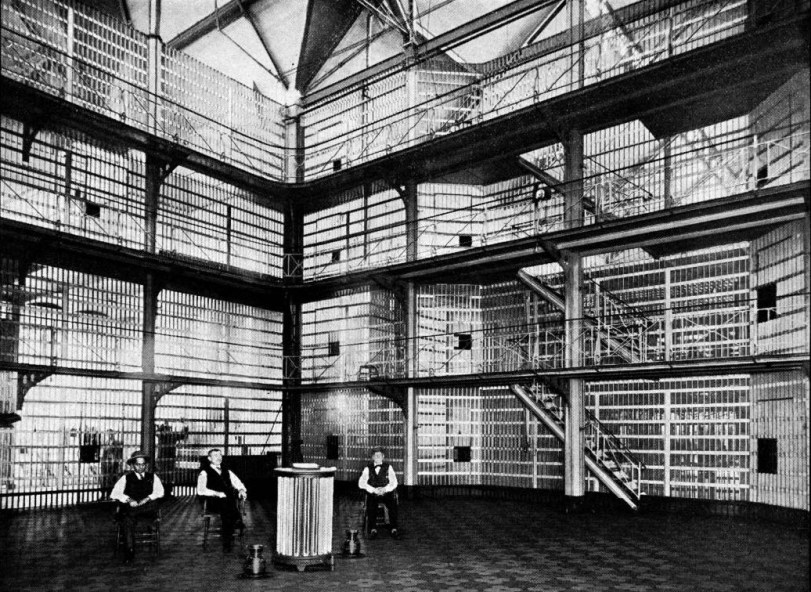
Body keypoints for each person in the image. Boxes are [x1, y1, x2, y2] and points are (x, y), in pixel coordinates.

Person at [110, 451, 164, 563]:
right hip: (131, 508)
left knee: (153, 503)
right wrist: (129, 499)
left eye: (143, 464)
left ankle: (131, 512)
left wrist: (148, 498)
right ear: (133, 465)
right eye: (138, 464)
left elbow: (160, 492)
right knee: (127, 519)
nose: (141, 467)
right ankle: (129, 551)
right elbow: (114, 493)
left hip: (146, 510)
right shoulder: (126, 478)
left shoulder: (153, 477)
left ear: (146, 465)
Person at [196, 448, 247, 552]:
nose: (219, 458)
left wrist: (241, 489)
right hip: (213, 502)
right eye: (215, 455)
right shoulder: (204, 472)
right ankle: (237, 519)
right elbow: (201, 490)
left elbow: (237, 482)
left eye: (220, 455)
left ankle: (227, 543)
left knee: (228, 503)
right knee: (227, 503)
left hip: (227, 502)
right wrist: (217, 493)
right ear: (209, 458)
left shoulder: (227, 471)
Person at [358, 446, 399, 539]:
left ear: (383, 456)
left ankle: (394, 528)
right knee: (371, 503)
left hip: (386, 492)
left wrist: (385, 489)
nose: (377, 457)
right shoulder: (367, 468)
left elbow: (394, 482)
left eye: (379, 455)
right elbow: (361, 483)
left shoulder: (389, 467)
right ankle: (373, 529)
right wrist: (373, 490)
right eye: (375, 456)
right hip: (374, 493)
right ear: (372, 457)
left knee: (392, 503)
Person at [156, 419, 188, 497]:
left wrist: (160, 426)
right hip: (170, 457)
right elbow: (183, 435)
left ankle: (163, 491)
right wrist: (185, 426)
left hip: (162, 457)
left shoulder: (162, 435)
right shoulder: (172, 435)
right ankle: (168, 491)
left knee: (162, 474)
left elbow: (156, 432)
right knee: (169, 475)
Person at [100, 430, 123, 498]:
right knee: (104, 479)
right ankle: (103, 494)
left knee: (112, 479)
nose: (110, 436)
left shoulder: (117, 443)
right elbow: (103, 453)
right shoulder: (106, 442)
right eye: (109, 434)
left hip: (113, 463)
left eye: (111, 434)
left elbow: (118, 454)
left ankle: (110, 494)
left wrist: (118, 462)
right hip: (106, 463)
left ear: (114, 435)